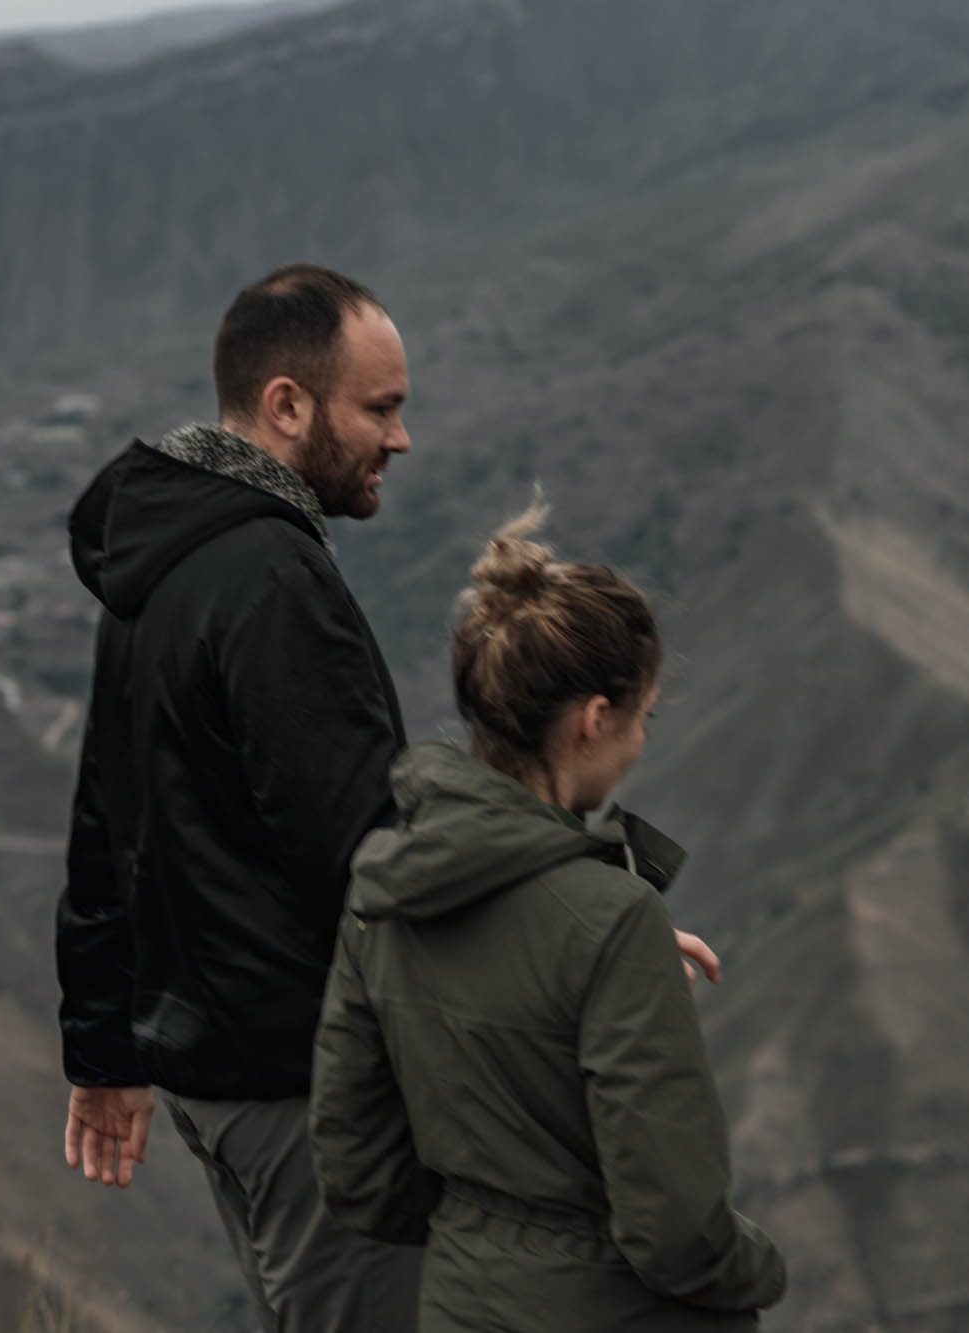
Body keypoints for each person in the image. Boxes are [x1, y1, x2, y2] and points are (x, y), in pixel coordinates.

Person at [309, 501, 788, 1331]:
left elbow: (357, 1167)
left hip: (461, 1304)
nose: (640, 741)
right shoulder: (615, 921)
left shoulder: (381, 892)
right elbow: (675, 1226)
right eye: (642, 716)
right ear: (594, 719)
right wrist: (761, 1266)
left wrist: (481, 1237)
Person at [55, 263, 424, 1331]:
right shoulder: (269, 577)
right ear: (286, 404)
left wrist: (103, 1045)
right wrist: (572, 931)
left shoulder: (159, 559)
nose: (399, 439)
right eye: (381, 408)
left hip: (211, 1077)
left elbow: (104, 813)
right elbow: (367, 848)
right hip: (307, 1079)